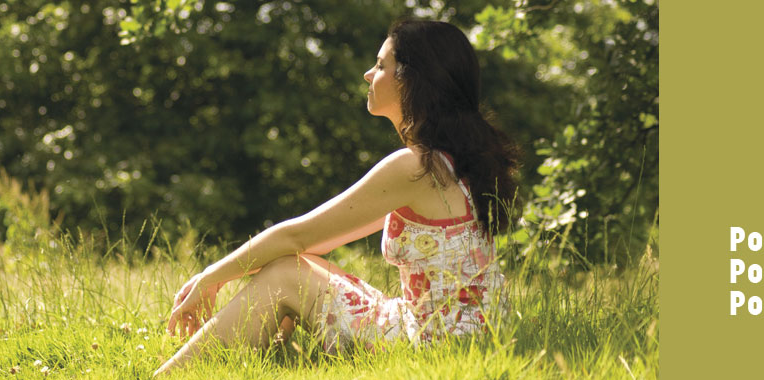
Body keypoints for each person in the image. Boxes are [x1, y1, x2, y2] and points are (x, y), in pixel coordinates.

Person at [153, 19, 520, 376]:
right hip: (463, 335)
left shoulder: (416, 167)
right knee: (303, 264)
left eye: (380, 65)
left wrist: (209, 278)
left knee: (285, 272)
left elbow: (297, 234)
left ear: (411, 80)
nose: (367, 75)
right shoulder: (460, 159)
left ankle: (172, 375)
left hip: (432, 345)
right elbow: (314, 243)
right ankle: (256, 359)